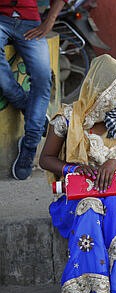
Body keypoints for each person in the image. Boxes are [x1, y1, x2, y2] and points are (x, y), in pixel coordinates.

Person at [39, 54, 116, 293]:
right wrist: (73, 170)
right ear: (102, 94)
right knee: (89, 207)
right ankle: (76, 292)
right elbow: (46, 159)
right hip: (76, 194)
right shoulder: (68, 118)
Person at [0, 0, 67, 180]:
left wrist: (49, 22)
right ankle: (31, 111)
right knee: (4, 82)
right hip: (1, 20)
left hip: (30, 22)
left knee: (42, 78)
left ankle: (29, 145)